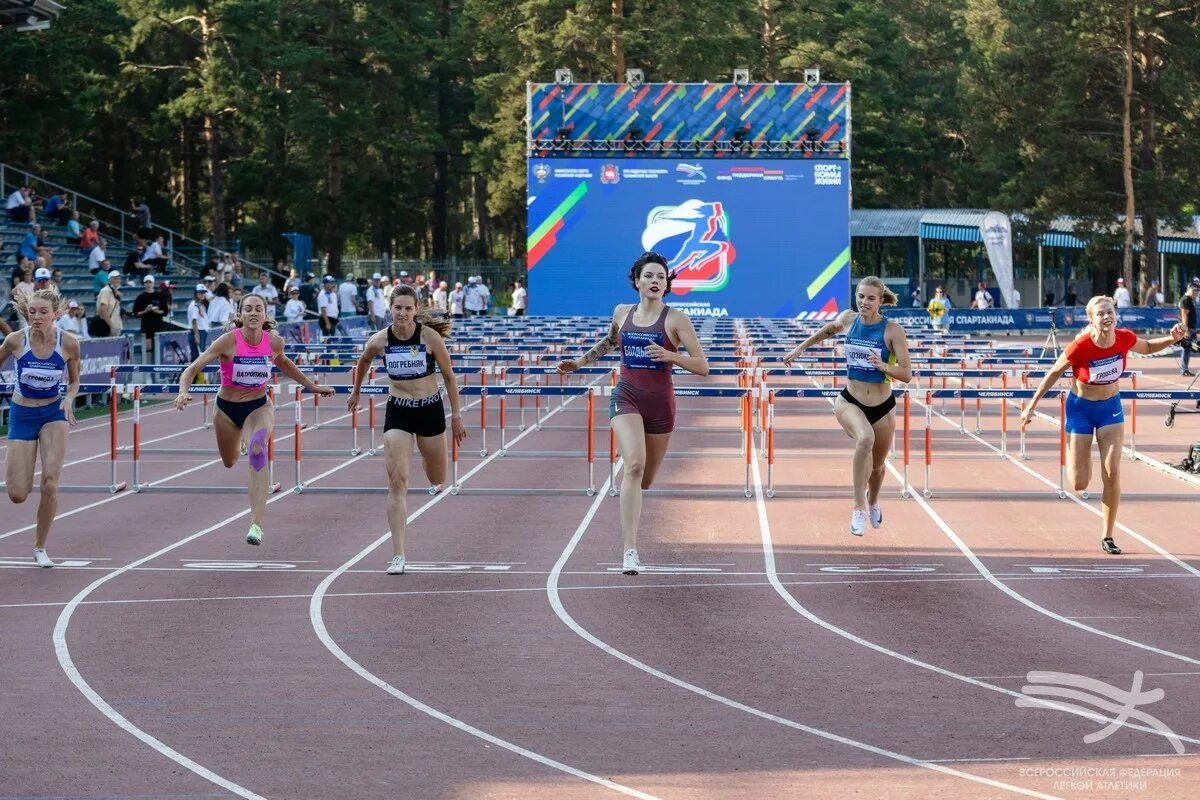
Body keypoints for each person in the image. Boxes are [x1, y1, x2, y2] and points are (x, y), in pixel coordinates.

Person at [557, 252, 709, 575]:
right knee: (634, 466)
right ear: (637, 281)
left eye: (661, 277)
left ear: (667, 284)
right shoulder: (622, 312)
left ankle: (634, 475)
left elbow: (702, 366)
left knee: (646, 479)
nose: (655, 281)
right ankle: (630, 550)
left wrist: (670, 355)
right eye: (649, 276)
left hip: (661, 405)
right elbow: (609, 342)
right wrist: (580, 363)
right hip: (626, 396)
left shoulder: (676, 319)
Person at [1021, 296, 1185, 554]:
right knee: (1080, 483)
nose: (1107, 317)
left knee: (1112, 472)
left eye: (1110, 312)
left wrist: (1172, 338)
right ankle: (1073, 447)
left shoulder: (1124, 338)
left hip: (1110, 410)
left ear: (1115, 315)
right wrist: (1031, 405)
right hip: (1080, 411)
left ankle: (1108, 535)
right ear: (1091, 319)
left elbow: (1148, 346)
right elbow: (1053, 372)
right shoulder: (1080, 346)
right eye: (1101, 314)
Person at [175, 294, 334, 546]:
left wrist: (311, 386)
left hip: (258, 406)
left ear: (265, 314)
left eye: (258, 309)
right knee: (229, 462)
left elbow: (284, 363)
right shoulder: (227, 342)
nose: (253, 313)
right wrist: (184, 391)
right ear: (240, 315)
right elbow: (192, 369)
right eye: (247, 309)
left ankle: (256, 524)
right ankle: (239, 439)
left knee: (258, 449)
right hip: (226, 411)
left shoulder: (274, 342)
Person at [346, 286, 467, 574]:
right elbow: (363, 362)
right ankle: (398, 554)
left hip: (430, 410)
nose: (402, 313)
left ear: (416, 310)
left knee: (437, 476)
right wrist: (356, 392)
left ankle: (427, 456)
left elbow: (449, 377)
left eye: (407, 308)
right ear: (390, 309)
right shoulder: (379, 340)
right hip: (398, 409)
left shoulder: (429, 337)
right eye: (397, 308)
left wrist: (457, 415)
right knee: (397, 480)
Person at [782, 276, 913, 536]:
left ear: (880, 301)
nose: (864, 302)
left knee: (877, 468)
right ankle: (858, 508)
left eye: (870, 298)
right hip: (849, 400)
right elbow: (828, 330)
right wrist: (800, 348)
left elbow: (907, 374)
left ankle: (873, 500)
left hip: (883, 406)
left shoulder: (892, 330)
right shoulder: (849, 319)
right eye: (860, 296)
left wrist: (884, 366)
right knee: (865, 438)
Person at [3, 286, 81, 567]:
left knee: (50, 483)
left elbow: (74, 382)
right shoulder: (15, 341)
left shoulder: (69, 343)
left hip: (53, 412)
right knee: (17, 494)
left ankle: (40, 546)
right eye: (32, 312)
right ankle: (24, 466)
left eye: (43, 312)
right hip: (22, 413)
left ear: (55, 314)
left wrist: (70, 398)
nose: (37, 317)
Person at [133, 275, 167, 353]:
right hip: (146, 327)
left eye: (150, 282)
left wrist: (158, 311)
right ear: (144, 284)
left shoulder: (160, 296)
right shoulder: (140, 297)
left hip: (158, 327)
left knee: (159, 350)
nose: (148, 284)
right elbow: (136, 314)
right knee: (148, 350)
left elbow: (165, 311)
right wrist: (145, 311)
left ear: (153, 283)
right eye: (146, 282)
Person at [1179, 281, 1199, 377]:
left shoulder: (1189, 299)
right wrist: (1186, 330)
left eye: (1198, 291)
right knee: (1187, 348)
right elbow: (1184, 315)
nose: (1196, 292)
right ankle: (1184, 369)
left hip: (1192, 329)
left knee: (1192, 348)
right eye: (1194, 290)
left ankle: (1184, 369)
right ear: (1189, 289)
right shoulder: (1186, 299)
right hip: (1189, 329)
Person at [96, 270, 124, 336]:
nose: (117, 280)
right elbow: (103, 311)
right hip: (108, 328)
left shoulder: (115, 292)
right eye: (114, 278)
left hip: (115, 326)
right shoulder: (106, 291)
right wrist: (112, 326)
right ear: (109, 280)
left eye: (118, 278)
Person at [186, 284, 209, 360]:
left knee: (200, 356)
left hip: (201, 331)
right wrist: (197, 335)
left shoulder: (199, 304)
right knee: (197, 358)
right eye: (200, 292)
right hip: (197, 332)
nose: (202, 294)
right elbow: (194, 320)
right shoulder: (194, 305)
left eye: (203, 292)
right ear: (196, 293)